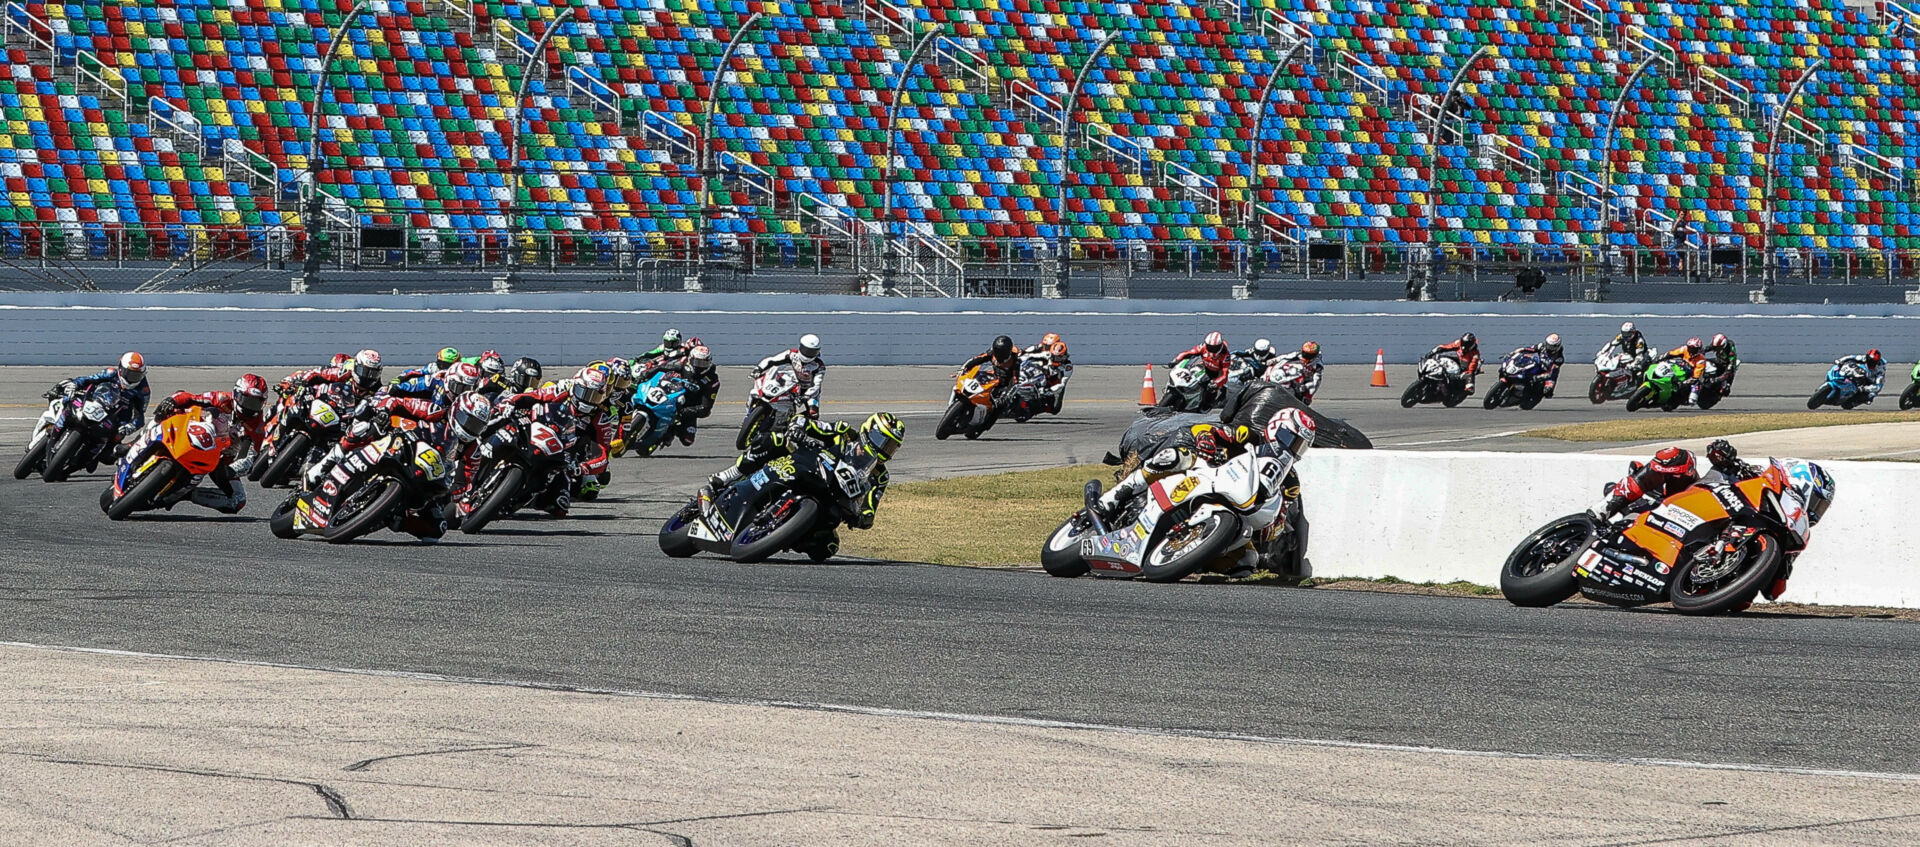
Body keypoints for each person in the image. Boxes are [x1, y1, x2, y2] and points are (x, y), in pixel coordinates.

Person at [704, 412, 905, 555]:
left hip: (832, 499)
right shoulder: (843, 433)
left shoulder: (880, 476)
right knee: (773, 440)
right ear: (868, 431)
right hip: (806, 467)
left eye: (891, 447)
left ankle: (779, 535)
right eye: (882, 441)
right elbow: (808, 423)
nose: (885, 450)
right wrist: (799, 429)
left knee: (826, 548)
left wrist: (861, 518)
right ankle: (725, 477)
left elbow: (871, 507)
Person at [499, 369, 617, 507]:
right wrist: (510, 402)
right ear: (575, 388)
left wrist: (582, 468)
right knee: (499, 422)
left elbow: (603, 457)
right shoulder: (561, 391)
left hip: (563, 455)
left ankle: (526, 499)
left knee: (559, 505)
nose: (588, 400)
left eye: (594, 397)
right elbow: (534, 395)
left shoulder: (600, 419)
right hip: (535, 430)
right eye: (585, 393)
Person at [1593, 439, 1758, 520]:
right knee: (1677, 457)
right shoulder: (1646, 499)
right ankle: (1601, 511)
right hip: (1657, 514)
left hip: (1696, 525)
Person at [146, 389, 250, 513]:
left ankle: (184, 494)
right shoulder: (222, 398)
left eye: (256, 403)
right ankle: (134, 444)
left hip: (217, 459)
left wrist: (234, 469)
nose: (250, 407)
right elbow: (189, 397)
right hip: (193, 432)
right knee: (165, 413)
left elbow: (251, 457)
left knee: (237, 501)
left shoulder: (257, 425)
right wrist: (172, 400)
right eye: (248, 401)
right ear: (237, 395)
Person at [58, 351, 152, 443]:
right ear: (121, 368)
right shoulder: (110, 373)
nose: (132, 379)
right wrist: (75, 384)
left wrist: (130, 426)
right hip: (95, 403)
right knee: (67, 400)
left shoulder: (144, 390)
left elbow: (140, 415)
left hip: (116, 420)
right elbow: (88, 379)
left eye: (136, 376)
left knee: (113, 448)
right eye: (130, 374)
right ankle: (56, 424)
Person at [655, 345, 720, 446]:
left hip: (690, 406)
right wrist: (648, 373)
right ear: (691, 359)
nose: (699, 366)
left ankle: (671, 431)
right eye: (697, 362)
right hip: (671, 394)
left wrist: (684, 412)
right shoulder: (684, 364)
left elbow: (706, 408)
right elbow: (664, 367)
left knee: (688, 440)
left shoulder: (712, 380)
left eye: (703, 363)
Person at [754, 333, 826, 413]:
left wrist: (807, 395)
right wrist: (759, 369)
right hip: (793, 385)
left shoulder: (819, 366)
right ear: (801, 347)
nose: (808, 354)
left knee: (813, 413)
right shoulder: (792, 354)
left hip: (809, 390)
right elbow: (772, 360)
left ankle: (796, 422)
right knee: (757, 392)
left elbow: (816, 384)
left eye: (812, 352)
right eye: (807, 350)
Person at [282, 349, 384, 405]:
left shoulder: (377, 388)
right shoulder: (342, 372)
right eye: (365, 371)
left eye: (374, 373)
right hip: (323, 403)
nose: (368, 377)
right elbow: (315, 372)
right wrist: (294, 381)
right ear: (356, 367)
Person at [960, 335, 1022, 417]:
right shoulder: (992, 352)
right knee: (979, 378)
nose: (998, 354)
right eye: (997, 351)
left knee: (999, 404)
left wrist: (1005, 397)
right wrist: (965, 369)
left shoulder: (1016, 360)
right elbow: (978, 359)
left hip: (1007, 384)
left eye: (1001, 352)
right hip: (996, 378)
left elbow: (1014, 381)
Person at [1168, 332, 1233, 398]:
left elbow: (1224, 374)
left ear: (1220, 346)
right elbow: (1189, 353)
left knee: (1210, 390)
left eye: (1214, 348)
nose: (1212, 349)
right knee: (1188, 377)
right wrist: (1176, 360)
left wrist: (1216, 383)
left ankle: (1206, 405)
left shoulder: (1225, 355)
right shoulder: (1203, 347)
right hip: (1203, 367)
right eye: (1209, 347)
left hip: (1216, 374)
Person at [1509, 333, 1565, 398]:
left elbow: (1551, 373)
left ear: (1557, 347)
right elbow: (1529, 349)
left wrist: (1538, 377)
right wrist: (1518, 351)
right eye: (1548, 345)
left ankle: (1534, 396)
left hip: (1548, 374)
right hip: (1539, 366)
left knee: (1547, 392)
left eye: (1552, 346)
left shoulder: (1559, 358)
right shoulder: (1541, 346)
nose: (1549, 348)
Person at [392, 347, 463, 384]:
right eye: (439, 361)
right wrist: (399, 378)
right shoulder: (433, 367)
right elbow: (416, 372)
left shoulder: (461, 370)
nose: (440, 364)